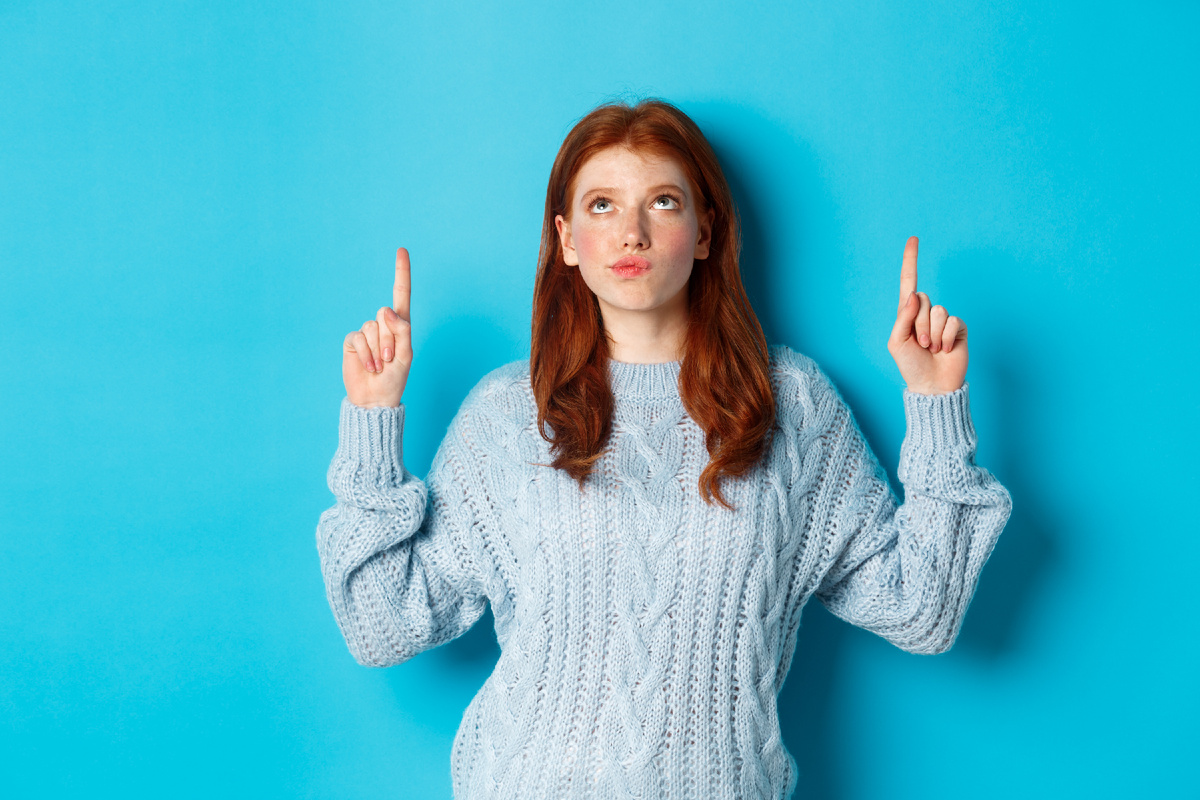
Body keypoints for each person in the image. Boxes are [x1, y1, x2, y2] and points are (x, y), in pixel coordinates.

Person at [316, 98, 1013, 800]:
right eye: (601, 206)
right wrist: (374, 422)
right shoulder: (506, 415)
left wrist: (934, 406)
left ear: (705, 230)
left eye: (663, 201)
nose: (632, 232)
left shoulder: (790, 406)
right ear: (564, 238)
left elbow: (923, 610)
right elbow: (382, 626)